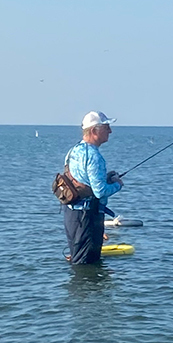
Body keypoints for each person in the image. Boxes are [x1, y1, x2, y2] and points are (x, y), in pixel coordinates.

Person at [63, 111, 123, 264]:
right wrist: (117, 185)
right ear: (94, 131)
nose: (110, 131)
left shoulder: (73, 151)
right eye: (106, 127)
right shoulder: (94, 156)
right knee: (86, 264)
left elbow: (81, 180)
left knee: (77, 260)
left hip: (71, 215)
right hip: (87, 218)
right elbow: (100, 191)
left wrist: (105, 178)